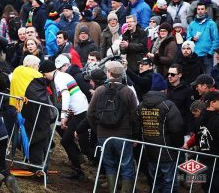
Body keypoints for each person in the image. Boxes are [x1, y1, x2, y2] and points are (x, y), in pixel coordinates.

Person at [87, 61, 137, 192]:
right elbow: (134, 115)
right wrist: (132, 133)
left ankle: (112, 190)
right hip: (123, 135)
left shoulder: (99, 90)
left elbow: (90, 113)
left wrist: (97, 129)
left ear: (109, 73)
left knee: (109, 165)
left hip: (103, 135)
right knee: (127, 165)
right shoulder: (128, 92)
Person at [39, 60, 88, 180]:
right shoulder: (63, 75)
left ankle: (80, 171)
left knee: (68, 141)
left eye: (44, 74)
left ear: (48, 72)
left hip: (80, 112)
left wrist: (63, 116)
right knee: (72, 141)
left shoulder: (58, 79)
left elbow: (66, 95)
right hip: (79, 110)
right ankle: (79, 167)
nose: (45, 77)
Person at [135, 73, 184, 193]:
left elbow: (136, 126)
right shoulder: (168, 105)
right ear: (164, 90)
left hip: (149, 150)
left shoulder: (141, 106)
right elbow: (177, 128)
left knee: (155, 180)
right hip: (167, 151)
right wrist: (177, 145)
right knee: (170, 181)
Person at [9, 55, 51, 169]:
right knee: (37, 138)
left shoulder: (17, 70)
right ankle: (36, 167)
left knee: (22, 135)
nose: (38, 68)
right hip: (33, 112)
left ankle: (27, 160)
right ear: (33, 65)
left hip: (16, 108)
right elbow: (40, 97)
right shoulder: (35, 75)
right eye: (37, 65)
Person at [183, 91, 219, 192]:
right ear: (212, 103)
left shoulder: (198, 119)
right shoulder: (216, 119)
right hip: (215, 161)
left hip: (205, 158)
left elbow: (197, 137)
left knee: (207, 186)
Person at [187, 2, 219, 74]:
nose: (200, 11)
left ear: (206, 10)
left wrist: (210, 52)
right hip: (195, 55)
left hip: (207, 55)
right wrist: (192, 39)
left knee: (208, 77)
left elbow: (216, 39)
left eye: (202, 9)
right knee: (196, 77)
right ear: (196, 10)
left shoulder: (211, 23)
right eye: (198, 9)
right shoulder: (192, 24)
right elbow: (188, 38)